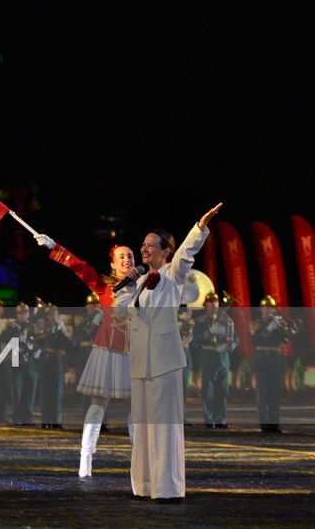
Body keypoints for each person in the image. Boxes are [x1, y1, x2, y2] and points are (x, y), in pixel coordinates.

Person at [114, 202, 220, 503]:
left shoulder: (173, 274)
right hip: (140, 364)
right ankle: (144, 485)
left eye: (151, 245)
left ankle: (168, 488)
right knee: (143, 428)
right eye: (143, 245)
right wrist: (126, 285)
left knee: (165, 427)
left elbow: (187, 252)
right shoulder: (138, 283)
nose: (144, 249)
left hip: (164, 362)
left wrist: (200, 226)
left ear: (165, 251)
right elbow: (121, 313)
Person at [31, 232, 135, 477]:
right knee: (98, 404)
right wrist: (54, 245)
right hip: (108, 349)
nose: (127, 259)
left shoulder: (145, 281)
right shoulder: (105, 286)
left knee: (137, 407)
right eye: (121, 256)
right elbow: (81, 268)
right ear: (112, 263)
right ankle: (85, 458)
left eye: (130, 255)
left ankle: (140, 457)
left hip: (135, 351)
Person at [250, 295, 297, 433]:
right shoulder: (255, 324)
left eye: (271, 308)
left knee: (274, 397)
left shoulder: (278, 323)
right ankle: (264, 425)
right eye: (267, 307)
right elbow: (256, 340)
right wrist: (269, 327)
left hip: (275, 362)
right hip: (262, 362)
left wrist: (284, 328)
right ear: (261, 309)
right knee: (263, 396)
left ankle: (274, 425)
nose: (269, 310)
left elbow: (286, 338)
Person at [192, 291, 235, 428]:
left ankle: (221, 420)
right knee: (208, 392)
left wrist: (231, 345)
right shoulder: (201, 321)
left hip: (223, 357)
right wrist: (210, 331)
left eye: (215, 302)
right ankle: (209, 420)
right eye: (210, 303)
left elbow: (236, 337)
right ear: (206, 305)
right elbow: (196, 340)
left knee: (222, 391)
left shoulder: (226, 319)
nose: (213, 305)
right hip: (208, 355)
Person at [33, 303, 72, 429]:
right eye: (49, 314)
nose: (52, 316)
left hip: (56, 362)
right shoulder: (42, 327)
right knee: (45, 394)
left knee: (56, 393)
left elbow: (68, 343)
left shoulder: (61, 328)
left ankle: (56, 421)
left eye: (54, 314)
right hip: (45, 361)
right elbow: (37, 341)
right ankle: (45, 421)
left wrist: (60, 327)